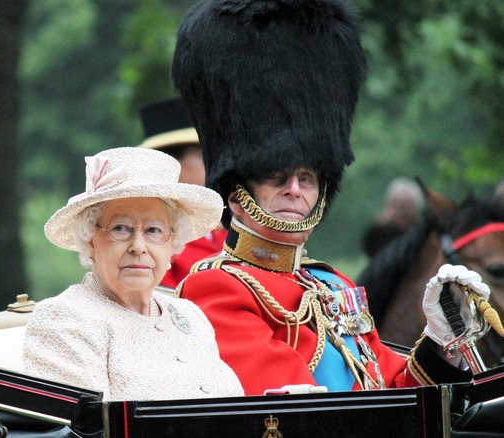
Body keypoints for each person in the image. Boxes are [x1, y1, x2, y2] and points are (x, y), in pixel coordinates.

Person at [172, 0, 490, 395]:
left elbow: (392, 386)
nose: (294, 189)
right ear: (237, 189)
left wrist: (442, 345)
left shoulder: (333, 284)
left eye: (307, 178)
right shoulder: (217, 286)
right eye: (276, 175)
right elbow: (303, 412)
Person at [23, 147, 243, 401]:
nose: (138, 246)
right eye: (120, 228)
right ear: (90, 240)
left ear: (173, 242)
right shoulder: (64, 320)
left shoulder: (190, 317)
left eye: (153, 230)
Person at [138, 98, 225, 289]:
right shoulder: (150, 238)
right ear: (170, 163)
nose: (214, 164)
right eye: (203, 156)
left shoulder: (223, 232)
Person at [362, 177, 424, 257]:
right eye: (398, 206)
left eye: (407, 206)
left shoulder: (423, 231)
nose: (402, 212)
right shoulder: (381, 231)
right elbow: (370, 250)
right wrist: (379, 226)